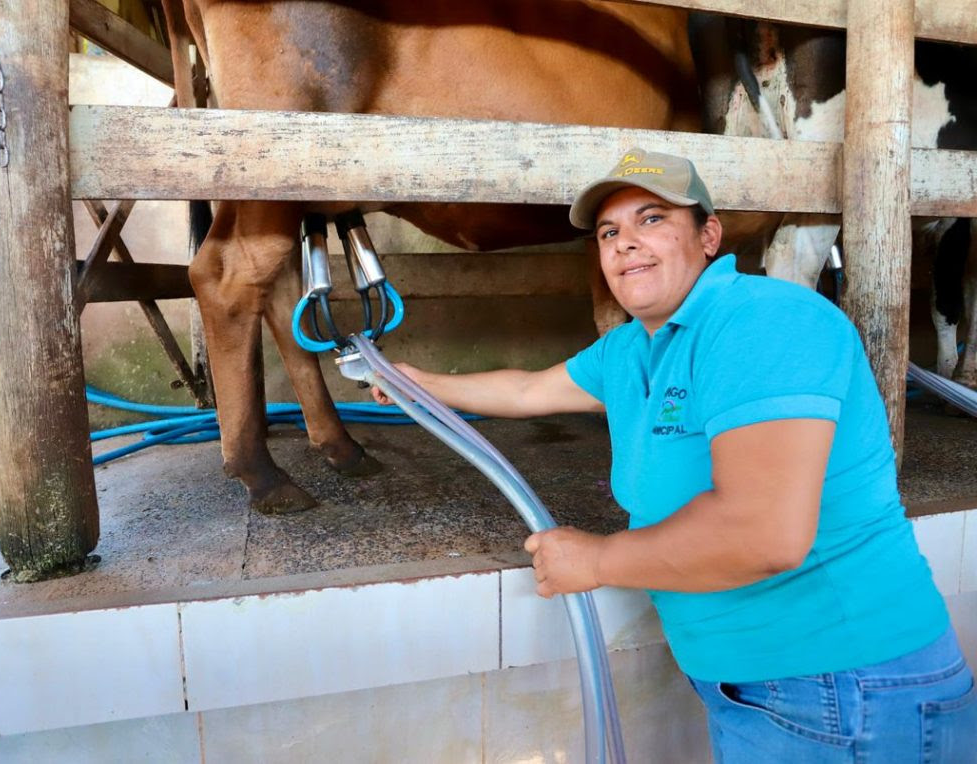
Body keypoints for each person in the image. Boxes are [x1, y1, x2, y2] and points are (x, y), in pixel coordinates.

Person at [372, 147, 976, 761]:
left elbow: (762, 535)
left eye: (652, 219)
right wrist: (416, 383)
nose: (625, 243)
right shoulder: (633, 347)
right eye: (610, 231)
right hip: (772, 692)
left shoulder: (763, 321)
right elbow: (528, 388)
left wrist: (600, 558)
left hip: (849, 691)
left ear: (709, 235)